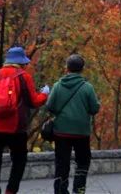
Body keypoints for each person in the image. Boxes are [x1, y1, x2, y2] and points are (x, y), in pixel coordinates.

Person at [0, 46, 49, 194]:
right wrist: (45, 94)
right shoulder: (24, 77)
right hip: (14, 127)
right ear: (22, 62)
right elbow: (33, 101)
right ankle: (11, 191)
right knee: (19, 159)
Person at [47, 53, 101, 194]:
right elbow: (94, 109)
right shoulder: (87, 87)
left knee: (62, 164)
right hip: (81, 132)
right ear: (82, 69)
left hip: (61, 132)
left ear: (67, 68)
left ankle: (60, 191)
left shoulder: (58, 86)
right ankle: (79, 190)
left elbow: (50, 106)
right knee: (82, 162)